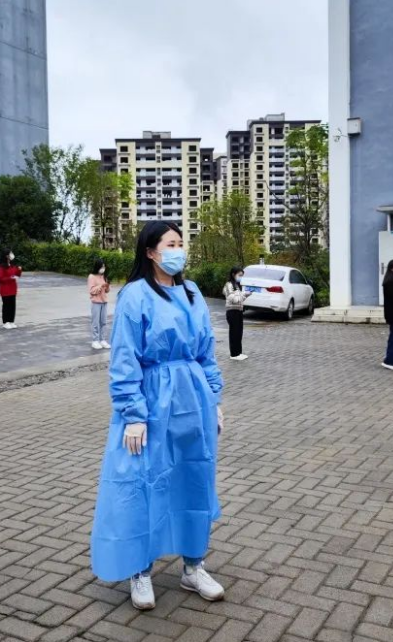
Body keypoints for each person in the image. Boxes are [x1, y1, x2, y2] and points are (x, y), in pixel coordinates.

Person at [91, 220, 226, 611]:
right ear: (150, 251)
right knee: (144, 481)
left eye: (181, 243)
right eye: (171, 243)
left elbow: (206, 351)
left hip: (194, 399)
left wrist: (214, 398)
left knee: (194, 478)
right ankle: (140, 569)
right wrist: (133, 414)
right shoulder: (135, 295)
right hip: (152, 401)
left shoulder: (192, 291)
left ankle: (193, 566)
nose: (178, 250)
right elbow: (124, 357)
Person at [223, 266, 252, 361]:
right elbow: (234, 299)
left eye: (242, 275)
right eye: (239, 275)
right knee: (234, 333)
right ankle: (234, 354)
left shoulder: (237, 285)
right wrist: (242, 296)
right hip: (232, 312)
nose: (240, 277)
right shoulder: (229, 285)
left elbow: (239, 299)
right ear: (233, 274)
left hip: (239, 311)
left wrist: (246, 295)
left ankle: (238, 352)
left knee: (239, 333)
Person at [88, 259, 111, 350]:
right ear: (97, 267)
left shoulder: (104, 276)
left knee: (103, 322)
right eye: (102, 267)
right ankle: (95, 340)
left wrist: (107, 286)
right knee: (95, 322)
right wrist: (100, 286)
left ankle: (102, 339)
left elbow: (107, 291)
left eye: (104, 267)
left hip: (104, 302)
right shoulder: (91, 276)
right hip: (96, 302)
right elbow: (91, 291)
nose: (103, 268)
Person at [0, 249, 23, 329]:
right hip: (5, 289)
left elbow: (17, 275)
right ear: (6, 256)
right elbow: (1, 278)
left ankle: (11, 321)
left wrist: (19, 270)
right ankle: (5, 322)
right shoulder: (2, 267)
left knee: (12, 306)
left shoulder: (12, 265)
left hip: (12, 289)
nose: (12, 255)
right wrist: (11, 278)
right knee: (6, 306)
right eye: (10, 253)